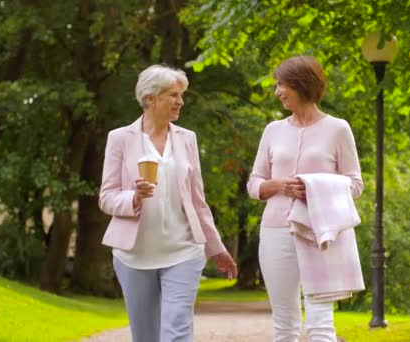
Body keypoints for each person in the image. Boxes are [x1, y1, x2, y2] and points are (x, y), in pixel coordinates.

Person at [98, 64, 237, 342]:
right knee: (146, 335)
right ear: (150, 98)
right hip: (134, 255)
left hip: (183, 251)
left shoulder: (187, 139)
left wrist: (215, 247)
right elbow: (107, 196)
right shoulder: (120, 138)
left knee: (177, 330)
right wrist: (133, 198)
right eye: (173, 95)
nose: (180, 101)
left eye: (181, 95)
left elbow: (198, 200)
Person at [247, 56, 364, 342]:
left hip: (320, 232)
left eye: (281, 84)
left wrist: (314, 186)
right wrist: (277, 185)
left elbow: (355, 183)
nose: (277, 91)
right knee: (284, 322)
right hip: (275, 231)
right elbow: (254, 184)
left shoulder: (338, 129)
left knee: (320, 321)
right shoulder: (273, 130)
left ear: (302, 84)